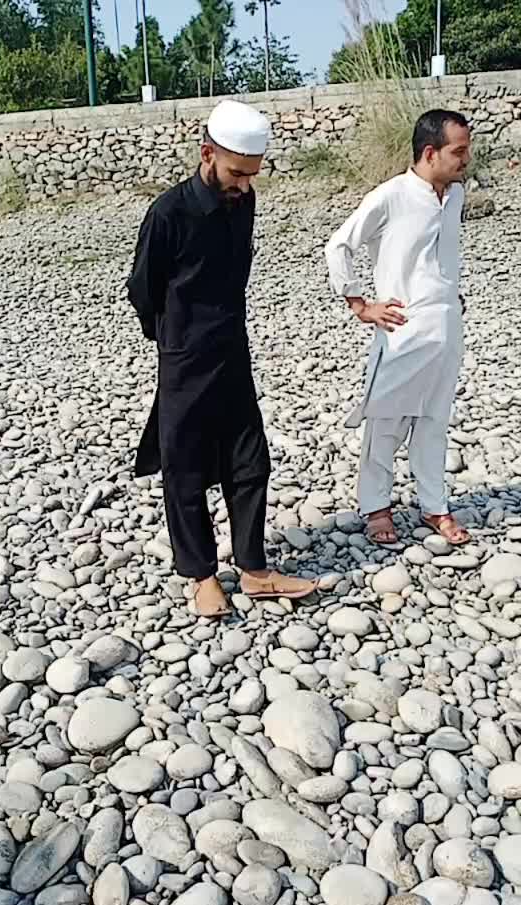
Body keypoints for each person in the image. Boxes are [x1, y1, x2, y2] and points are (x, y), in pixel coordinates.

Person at [127, 99, 317, 616]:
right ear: (207, 154)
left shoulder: (243, 201)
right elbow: (143, 288)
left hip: (233, 348)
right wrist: (172, 337)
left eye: (253, 174)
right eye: (237, 173)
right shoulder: (168, 213)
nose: (245, 184)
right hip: (184, 356)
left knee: (250, 461)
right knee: (184, 467)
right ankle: (202, 575)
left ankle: (254, 569)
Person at [325, 108, 472, 546]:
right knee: (385, 420)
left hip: (447, 325)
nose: (466, 159)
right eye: (458, 151)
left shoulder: (456, 195)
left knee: (435, 420)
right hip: (402, 327)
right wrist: (359, 304)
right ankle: (376, 507)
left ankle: (434, 505)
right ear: (430, 153)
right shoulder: (391, 196)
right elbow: (339, 245)